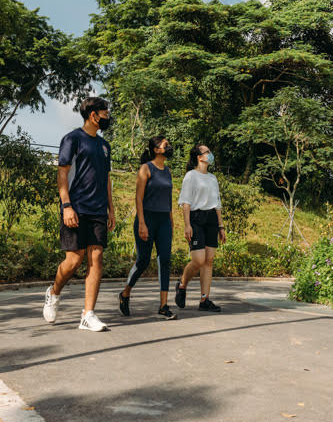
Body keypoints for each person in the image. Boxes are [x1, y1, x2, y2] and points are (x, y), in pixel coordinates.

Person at [43, 97, 116, 332]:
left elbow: (106, 181)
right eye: (105, 113)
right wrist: (67, 206)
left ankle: (88, 314)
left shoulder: (105, 146)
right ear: (93, 115)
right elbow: (62, 174)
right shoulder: (72, 139)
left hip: (97, 211)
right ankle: (53, 293)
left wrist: (111, 210)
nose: (108, 117)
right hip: (76, 208)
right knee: (74, 260)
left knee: (96, 259)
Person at [119, 136, 177, 320]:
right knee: (143, 260)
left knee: (165, 260)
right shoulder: (146, 168)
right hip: (147, 219)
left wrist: (171, 221)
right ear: (155, 149)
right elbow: (139, 198)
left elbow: (168, 199)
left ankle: (163, 305)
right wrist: (142, 223)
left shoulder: (167, 171)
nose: (169, 147)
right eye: (165, 144)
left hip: (164, 220)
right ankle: (125, 293)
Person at [174, 143, 226, 312]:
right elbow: (186, 203)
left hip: (211, 218)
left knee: (209, 260)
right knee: (198, 260)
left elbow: (217, 204)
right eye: (207, 152)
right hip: (196, 218)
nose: (210, 154)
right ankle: (182, 284)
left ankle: (205, 300)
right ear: (199, 157)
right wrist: (187, 225)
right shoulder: (191, 176)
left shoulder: (212, 178)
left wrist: (221, 226)